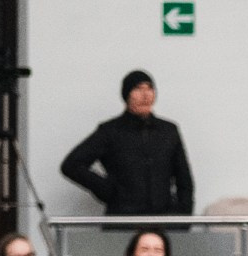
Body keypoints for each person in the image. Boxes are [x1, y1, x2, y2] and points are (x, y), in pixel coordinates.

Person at [60, 70, 195, 218]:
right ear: (127, 95)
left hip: (163, 221)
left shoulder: (168, 130)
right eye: (138, 89)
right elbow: (71, 165)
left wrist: (183, 217)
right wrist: (107, 190)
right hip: (122, 221)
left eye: (149, 88)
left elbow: (184, 180)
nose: (145, 95)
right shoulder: (110, 131)